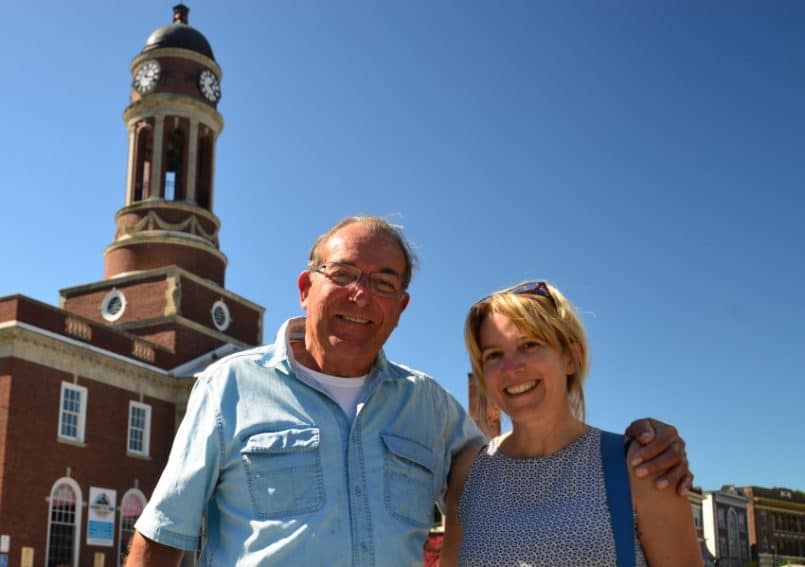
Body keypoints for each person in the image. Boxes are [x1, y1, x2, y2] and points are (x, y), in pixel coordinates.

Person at [126, 216, 692, 566]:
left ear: (402, 308)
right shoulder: (229, 387)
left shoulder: (432, 411)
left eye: (383, 284)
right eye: (343, 275)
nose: (360, 296)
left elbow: (535, 451)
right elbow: (161, 537)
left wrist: (649, 443)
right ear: (307, 287)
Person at [441, 280, 702, 566]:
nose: (511, 368)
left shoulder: (643, 466)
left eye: (529, 345)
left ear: (571, 358)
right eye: (494, 355)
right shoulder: (469, 473)